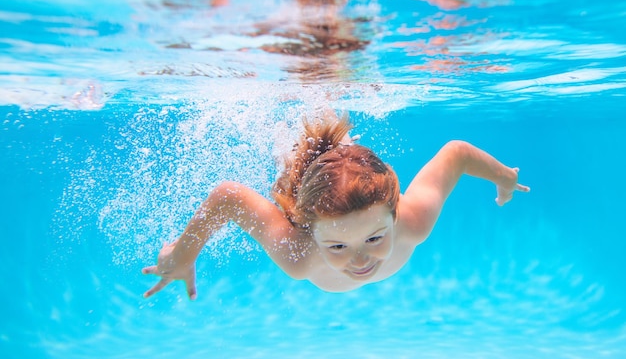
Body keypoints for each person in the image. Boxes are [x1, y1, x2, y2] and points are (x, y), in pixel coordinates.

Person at [142, 113, 530, 299]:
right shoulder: (298, 254)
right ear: (308, 232)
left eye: (376, 237)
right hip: (307, 194)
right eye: (338, 247)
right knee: (291, 159)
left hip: (352, 191)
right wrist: (183, 253)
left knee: (319, 151)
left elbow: (458, 154)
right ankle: (297, 147)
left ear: (394, 213)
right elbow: (227, 196)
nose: (360, 259)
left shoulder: (413, 220)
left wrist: (505, 177)